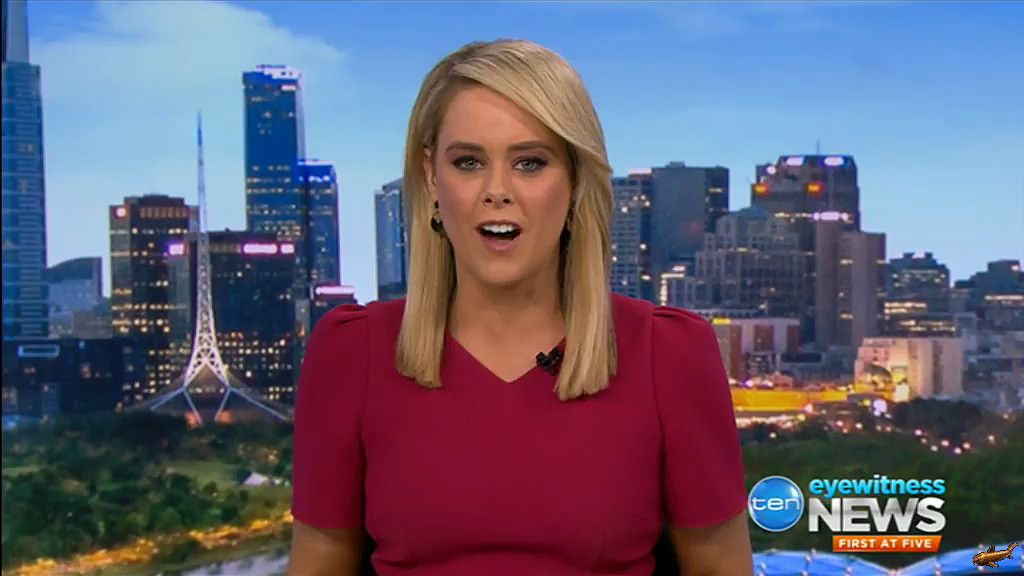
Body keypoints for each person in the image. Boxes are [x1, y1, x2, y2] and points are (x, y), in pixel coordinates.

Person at [289, 39, 752, 576]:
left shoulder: (669, 354)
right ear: (432, 178)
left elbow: (719, 566)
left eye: (530, 163)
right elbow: (319, 562)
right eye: (468, 162)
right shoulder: (352, 351)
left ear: (575, 181)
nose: (497, 191)